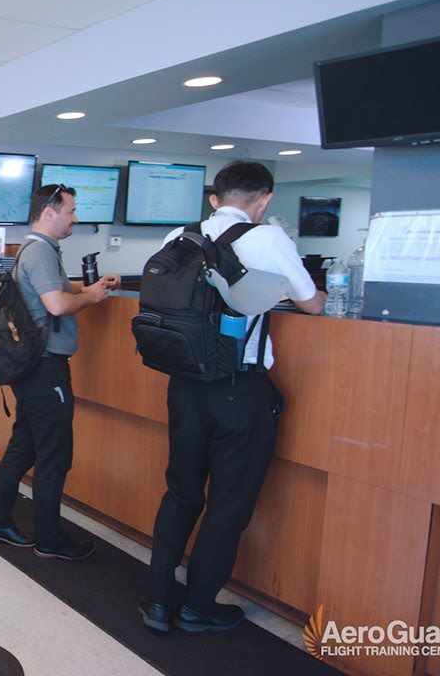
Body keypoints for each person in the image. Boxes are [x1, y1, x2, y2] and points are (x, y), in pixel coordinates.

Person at [139, 162, 325, 634]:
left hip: (183, 385)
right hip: (238, 390)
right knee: (228, 503)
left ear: (214, 198)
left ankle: (158, 602)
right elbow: (311, 303)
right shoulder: (267, 239)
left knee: (180, 493)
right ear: (264, 200)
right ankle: (198, 605)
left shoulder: (178, 238)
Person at [0, 184, 119, 561]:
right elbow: (57, 305)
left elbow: (52, 291)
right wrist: (91, 297)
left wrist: (89, 286)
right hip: (46, 370)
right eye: (70, 211)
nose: (75, 218)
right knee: (54, 456)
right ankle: (49, 539)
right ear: (49, 212)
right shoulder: (41, 252)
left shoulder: (31, 249)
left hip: (31, 368)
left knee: (24, 447)